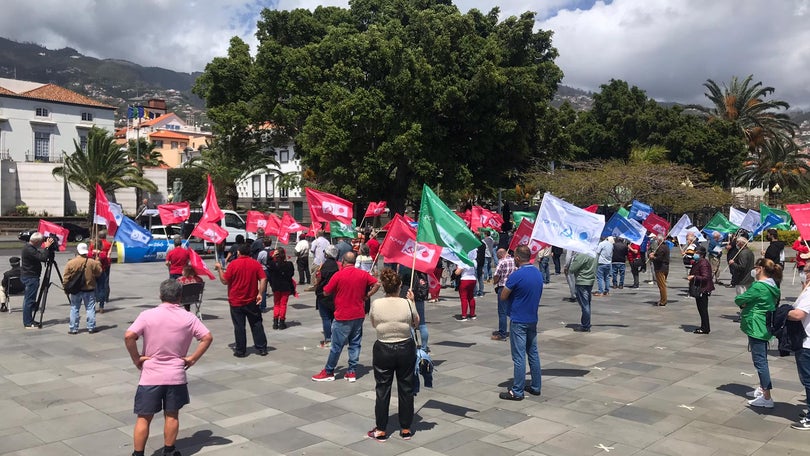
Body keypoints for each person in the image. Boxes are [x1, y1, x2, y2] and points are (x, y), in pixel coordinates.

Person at [124, 279, 213, 456]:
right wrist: (192, 359)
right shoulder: (189, 317)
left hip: (151, 375)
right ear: (180, 297)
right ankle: (169, 451)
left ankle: (138, 453)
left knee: (144, 417)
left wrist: (137, 359)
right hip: (175, 374)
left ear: (160, 295)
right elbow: (207, 337)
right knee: (172, 415)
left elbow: (129, 336)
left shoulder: (147, 315)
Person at [366, 268, 418, 442]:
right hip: (405, 346)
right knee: (406, 388)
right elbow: (415, 322)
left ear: (384, 287)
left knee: (382, 388)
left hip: (383, 347)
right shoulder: (407, 303)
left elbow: (374, 323)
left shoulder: (377, 304)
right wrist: (413, 302)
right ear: (400, 286)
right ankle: (405, 428)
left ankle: (381, 429)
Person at [312, 252, 380, 382]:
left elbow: (326, 291)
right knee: (355, 344)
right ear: (354, 261)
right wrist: (367, 295)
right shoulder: (363, 274)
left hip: (343, 314)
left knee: (336, 346)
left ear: (343, 261)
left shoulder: (338, 275)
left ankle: (329, 371)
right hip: (358, 314)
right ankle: (351, 372)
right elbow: (377, 283)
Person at [734, 258, 782, 408]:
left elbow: (740, 299)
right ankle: (762, 388)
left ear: (760, 269)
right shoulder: (773, 285)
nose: (754, 270)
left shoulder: (759, 286)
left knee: (760, 361)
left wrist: (744, 302)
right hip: (764, 324)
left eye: (756, 267)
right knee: (761, 359)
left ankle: (767, 397)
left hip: (756, 325)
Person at [498, 245, 542, 401]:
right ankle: (536, 386)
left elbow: (503, 296)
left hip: (518, 319)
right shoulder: (538, 273)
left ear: (517, 258)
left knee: (518, 357)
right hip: (532, 318)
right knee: (533, 353)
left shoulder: (517, 275)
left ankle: (517, 390)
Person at [214, 243, 269, 357]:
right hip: (251, 299)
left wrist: (219, 269)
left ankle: (240, 350)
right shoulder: (255, 264)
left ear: (238, 252)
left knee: (239, 326)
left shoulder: (233, 264)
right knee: (256, 324)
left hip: (236, 300)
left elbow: (224, 281)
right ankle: (262, 347)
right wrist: (260, 293)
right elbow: (263, 278)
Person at [63, 243, 103, 334]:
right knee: (90, 309)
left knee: (74, 308)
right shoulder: (92, 262)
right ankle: (91, 327)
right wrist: (98, 262)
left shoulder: (70, 262)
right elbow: (99, 273)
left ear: (77, 251)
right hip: (89, 289)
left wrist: (66, 288)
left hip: (75, 289)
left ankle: (73, 328)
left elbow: (66, 277)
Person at [787, 274, 810, 430]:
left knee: (808, 380)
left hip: (807, 342)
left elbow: (798, 314)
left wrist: (782, 312)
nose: (805, 274)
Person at [20, 232, 55, 328]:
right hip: (30, 278)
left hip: (30, 276)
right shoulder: (29, 249)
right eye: (41, 242)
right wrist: (47, 247)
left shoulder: (29, 247)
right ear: (37, 242)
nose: (42, 244)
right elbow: (42, 257)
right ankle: (28, 322)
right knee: (29, 300)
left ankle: (29, 320)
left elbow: (39, 255)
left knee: (29, 300)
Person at [315, 245, 341, 347]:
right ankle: (335, 337)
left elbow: (318, 279)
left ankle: (328, 338)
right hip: (335, 294)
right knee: (334, 317)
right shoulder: (338, 265)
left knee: (326, 317)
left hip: (324, 293)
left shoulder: (324, 265)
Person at [687, 246, 715, 334]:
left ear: (701, 254)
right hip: (700, 288)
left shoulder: (703, 263)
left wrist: (694, 277)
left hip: (703, 289)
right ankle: (704, 326)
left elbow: (705, 277)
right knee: (701, 309)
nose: (695, 254)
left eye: (696, 252)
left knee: (703, 309)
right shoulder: (698, 261)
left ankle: (705, 328)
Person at [266, 247, 295, 330]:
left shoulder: (273, 264)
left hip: (276, 286)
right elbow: (291, 274)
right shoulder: (289, 264)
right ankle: (282, 322)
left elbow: (268, 262)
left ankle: (275, 322)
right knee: (283, 304)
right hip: (285, 286)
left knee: (276, 304)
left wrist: (272, 256)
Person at [569, 250, 597, 332]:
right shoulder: (594, 253)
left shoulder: (583, 254)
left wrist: (574, 259)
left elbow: (572, 268)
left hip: (582, 281)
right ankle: (586, 323)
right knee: (587, 303)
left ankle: (585, 325)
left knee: (585, 304)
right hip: (590, 280)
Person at [491, 248, 516, 341]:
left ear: (500, 255)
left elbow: (496, 275)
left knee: (502, 311)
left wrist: (495, 282)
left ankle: (502, 334)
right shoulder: (514, 260)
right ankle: (514, 331)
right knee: (512, 310)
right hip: (513, 287)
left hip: (503, 287)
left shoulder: (502, 262)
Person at [88, 231, 112, 313]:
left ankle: (92, 306)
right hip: (102, 271)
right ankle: (101, 306)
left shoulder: (90, 253)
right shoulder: (104, 253)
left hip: (92, 272)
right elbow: (106, 263)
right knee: (102, 287)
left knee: (92, 289)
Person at [454, 251, 478, 321]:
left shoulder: (463, 261)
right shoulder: (474, 261)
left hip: (465, 279)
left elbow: (457, 272)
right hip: (473, 279)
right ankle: (472, 314)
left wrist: (457, 267)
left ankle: (464, 315)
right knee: (471, 297)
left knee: (463, 298)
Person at [649, 234, 670, 306]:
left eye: (656, 240)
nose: (656, 241)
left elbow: (659, 259)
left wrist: (652, 257)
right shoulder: (665, 247)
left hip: (661, 268)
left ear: (659, 240)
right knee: (661, 285)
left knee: (662, 285)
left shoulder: (661, 248)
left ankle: (663, 301)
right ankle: (662, 299)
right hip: (664, 267)